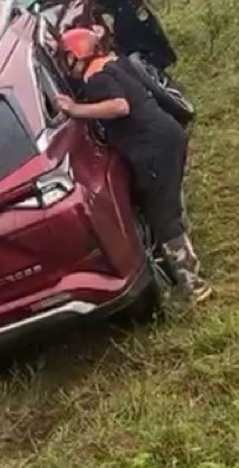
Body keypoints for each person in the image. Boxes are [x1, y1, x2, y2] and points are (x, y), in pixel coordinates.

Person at [55, 28, 213, 304]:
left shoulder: (97, 79)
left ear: (77, 54)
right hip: (167, 135)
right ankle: (187, 264)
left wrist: (76, 110)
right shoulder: (112, 63)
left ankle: (193, 285)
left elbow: (119, 107)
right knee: (169, 201)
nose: (67, 66)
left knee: (162, 216)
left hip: (151, 146)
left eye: (68, 59)